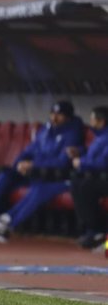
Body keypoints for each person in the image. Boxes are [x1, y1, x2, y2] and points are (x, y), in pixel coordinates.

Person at [0, 101, 85, 232]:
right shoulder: (46, 129)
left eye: (59, 115)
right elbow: (29, 150)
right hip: (33, 171)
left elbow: (62, 162)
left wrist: (34, 164)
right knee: (6, 175)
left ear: (68, 117)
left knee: (39, 190)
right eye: (52, 113)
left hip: (51, 175)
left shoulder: (73, 134)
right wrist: (19, 163)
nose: (54, 117)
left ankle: (6, 221)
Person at [70, 106, 108, 249]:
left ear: (101, 121)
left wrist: (82, 162)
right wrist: (80, 153)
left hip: (104, 176)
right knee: (76, 184)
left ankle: (98, 229)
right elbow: (93, 156)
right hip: (97, 176)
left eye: (92, 119)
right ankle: (91, 229)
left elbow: (104, 162)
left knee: (86, 187)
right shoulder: (99, 137)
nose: (90, 122)